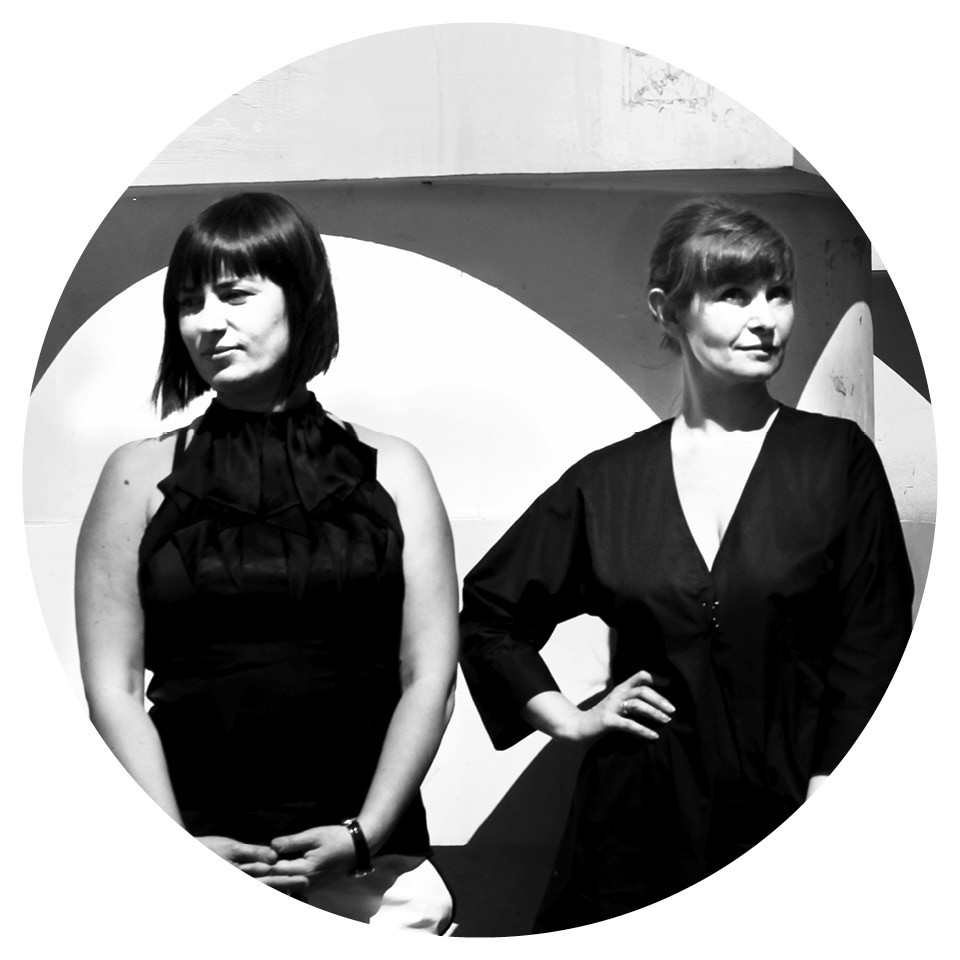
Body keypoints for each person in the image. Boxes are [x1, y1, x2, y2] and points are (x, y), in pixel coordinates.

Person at [459, 198, 914, 931]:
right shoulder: (609, 483)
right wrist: (568, 720)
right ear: (667, 310)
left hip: (792, 813)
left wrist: (833, 788)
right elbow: (488, 616)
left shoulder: (836, 462)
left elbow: (875, 641)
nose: (764, 319)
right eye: (733, 294)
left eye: (778, 293)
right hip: (633, 834)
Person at [76, 192, 458, 932]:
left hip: (372, 872)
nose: (206, 322)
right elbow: (112, 687)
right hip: (190, 861)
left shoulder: (396, 468)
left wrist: (365, 834)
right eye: (188, 303)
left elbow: (430, 676)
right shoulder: (134, 475)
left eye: (235, 294)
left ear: (303, 296)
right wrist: (174, 849)